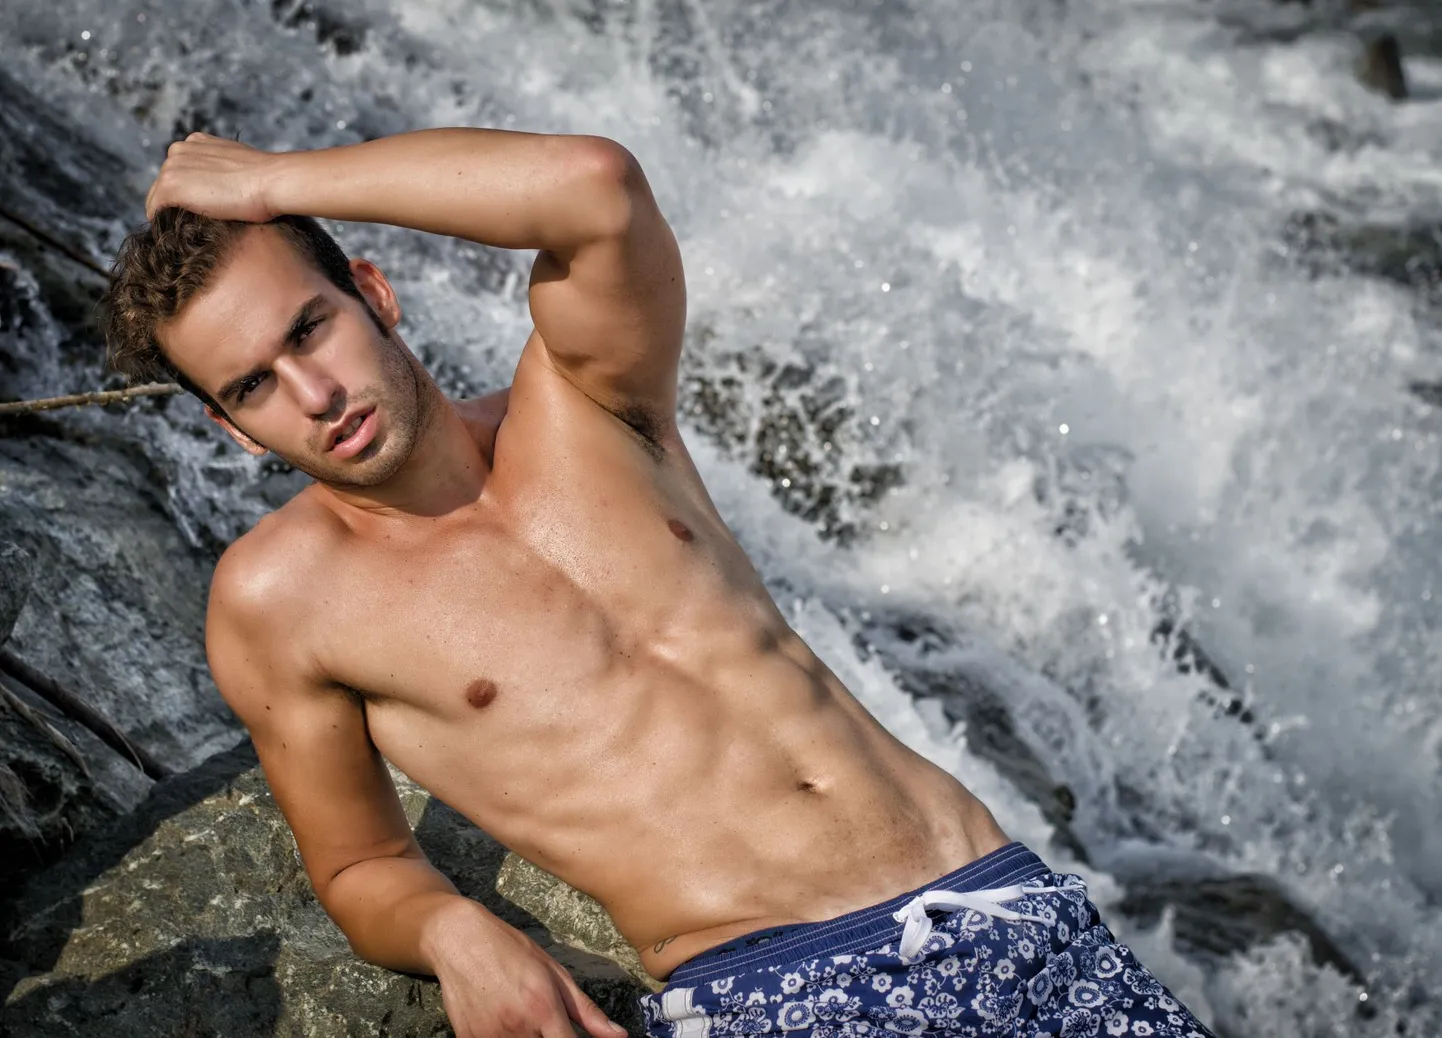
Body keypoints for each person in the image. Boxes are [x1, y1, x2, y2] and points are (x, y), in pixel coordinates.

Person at [102, 127, 1215, 1038]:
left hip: (1009, 904)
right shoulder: (279, 602)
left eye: (311, 327)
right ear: (230, 429)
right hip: (782, 990)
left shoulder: (585, 403)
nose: (313, 392)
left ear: (374, 293)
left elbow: (595, 189)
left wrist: (273, 182)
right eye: (253, 386)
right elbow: (360, 861)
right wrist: (454, 933)